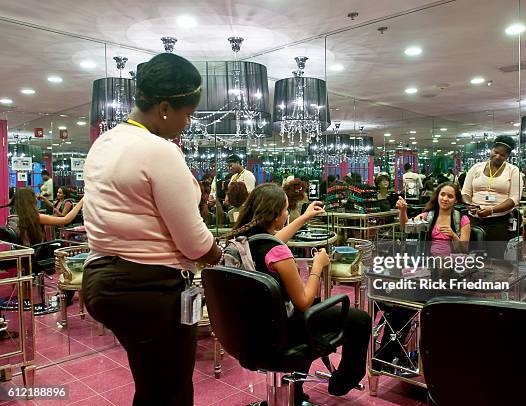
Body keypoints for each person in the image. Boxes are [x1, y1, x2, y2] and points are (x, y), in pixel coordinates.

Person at [81, 53, 222, 406]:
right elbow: (193, 242)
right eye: (187, 114)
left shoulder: (105, 142)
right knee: (171, 392)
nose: (187, 124)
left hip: (101, 280)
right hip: (150, 289)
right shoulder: (159, 150)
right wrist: (218, 254)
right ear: (163, 108)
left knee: (153, 386)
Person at [225, 184, 371, 402]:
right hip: (283, 334)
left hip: (251, 333)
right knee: (360, 320)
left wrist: (303, 217)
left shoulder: (242, 243)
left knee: (311, 315)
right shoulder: (278, 253)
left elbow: (274, 240)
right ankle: (345, 379)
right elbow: (303, 302)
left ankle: (296, 391)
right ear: (275, 216)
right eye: (285, 210)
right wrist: (317, 267)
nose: (287, 213)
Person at [461, 135, 521, 258]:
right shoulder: (476, 168)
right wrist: (469, 205)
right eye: (496, 152)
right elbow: (465, 193)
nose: (498, 156)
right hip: (474, 219)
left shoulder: (513, 171)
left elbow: (514, 199)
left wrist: (492, 210)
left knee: (495, 257)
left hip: (498, 222)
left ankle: (495, 278)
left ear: (507, 156)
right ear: (491, 150)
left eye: (502, 155)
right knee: (472, 255)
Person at [397, 182, 471, 255]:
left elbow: (464, 249)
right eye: (442, 194)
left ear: (456, 200)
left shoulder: (462, 219)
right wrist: (403, 210)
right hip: (428, 261)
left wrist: (453, 236)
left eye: (450, 196)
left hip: (453, 262)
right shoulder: (428, 216)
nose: (445, 199)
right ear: (438, 196)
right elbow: (405, 226)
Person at [6, 188, 83, 245]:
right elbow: (66, 219)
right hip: (36, 254)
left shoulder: (11, 217)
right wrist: (81, 202)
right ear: (30, 200)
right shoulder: (35, 217)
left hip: (22, 252)